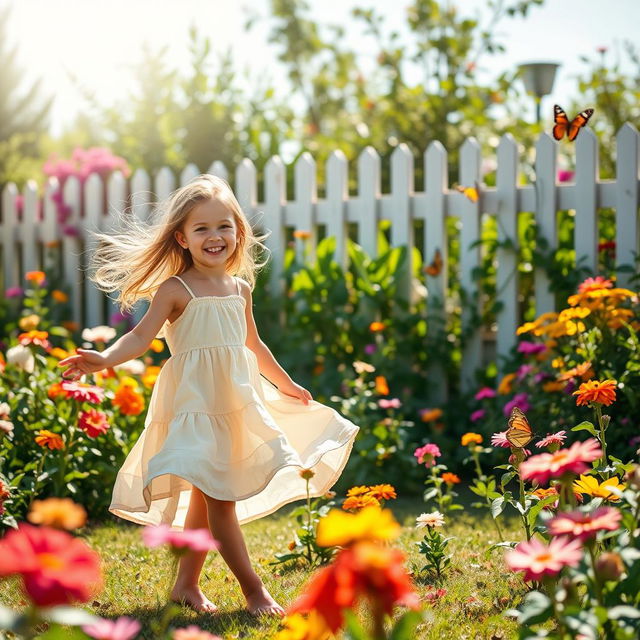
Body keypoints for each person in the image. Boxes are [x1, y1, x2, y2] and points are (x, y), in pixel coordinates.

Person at [58, 174, 359, 617]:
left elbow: (253, 346)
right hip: (197, 408)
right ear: (181, 237)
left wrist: (287, 385)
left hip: (235, 405)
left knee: (208, 495)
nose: (214, 236)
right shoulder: (176, 289)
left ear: (238, 230)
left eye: (223, 226)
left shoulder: (240, 288)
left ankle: (185, 585)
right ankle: (255, 591)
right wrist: (104, 359)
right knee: (221, 501)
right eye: (201, 229)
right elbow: (140, 338)